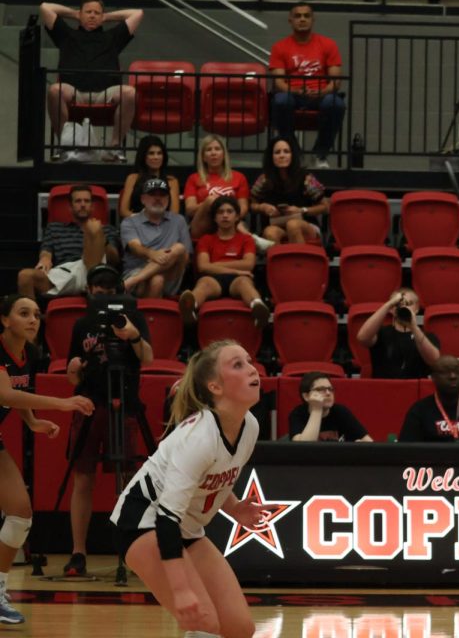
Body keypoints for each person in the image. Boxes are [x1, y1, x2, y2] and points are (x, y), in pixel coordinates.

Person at [111, 340, 267, 637]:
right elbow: (167, 519)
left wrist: (234, 507)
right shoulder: (198, 436)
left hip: (185, 527)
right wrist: (181, 589)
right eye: (237, 365)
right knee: (204, 622)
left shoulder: (250, 426)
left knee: (240, 628)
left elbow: (212, 479)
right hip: (143, 521)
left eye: (249, 360)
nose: (252, 369)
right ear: (215, 387)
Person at [0, 294, 94, 624]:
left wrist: (32, 421)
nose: (33, 319)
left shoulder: (27, 353)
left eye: (37, 314)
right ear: (4, 320)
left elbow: (16, 391)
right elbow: (5, 394)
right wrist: (64, 404)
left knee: (21, 514)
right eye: (23, 313)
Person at [62, 264, 154, 578]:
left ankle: (132, 550)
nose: (103, 301)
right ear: (89, 293)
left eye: (108, 295)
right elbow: (72, 373)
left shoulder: (133, 317)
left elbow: (149, 358)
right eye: (98, 295)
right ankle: (78, 552)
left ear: (119, 294)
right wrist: (73, 366)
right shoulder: (81, 324)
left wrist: (133, 335)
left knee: (129, 480)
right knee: (83, 478)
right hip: (89, 403)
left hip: (125, 404)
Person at [41, 0, 143, 161]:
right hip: (74, 92)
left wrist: (106, 16)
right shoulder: (66, 35)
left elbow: (137, 14)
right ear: (80, 14)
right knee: (55, 90)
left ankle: (114, 148)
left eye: (96, 13)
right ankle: (66, 144)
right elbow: (45, 8)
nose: (92, 16)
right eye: (88, 12)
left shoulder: (112, 37)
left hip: (105, 93)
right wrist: (74, 14)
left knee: (130, 92)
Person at [269, 2, 347, 168]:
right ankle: (294, 153)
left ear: (313, 19)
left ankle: (320, 154)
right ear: (290, 20)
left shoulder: (328, 44)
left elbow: (336, 81)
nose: (302, 19)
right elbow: (278, 82)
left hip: (320, 95)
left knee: (335, 103)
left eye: (306, 16)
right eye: (298, 16)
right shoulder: (280, 47)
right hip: (293, 95)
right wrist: (297, 90)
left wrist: (321, 92)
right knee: (281, 101)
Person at [178, 196, 271, 329]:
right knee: (204, 284)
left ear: (237, 217)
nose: (225, 215)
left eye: (229, 211)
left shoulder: (246, 239)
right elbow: (203, 267)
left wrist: (214, 265)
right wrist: (236, 270)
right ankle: (190, 308)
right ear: (214, 218)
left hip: (238, 279)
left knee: (244, 283)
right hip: (213, 280)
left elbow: (248, 264)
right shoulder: (206, 239)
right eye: (220, 212)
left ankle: (258, 308)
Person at [17, 184, 120, 298]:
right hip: (65, 273)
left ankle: (92, 289)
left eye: (87, 201)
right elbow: (46, 251)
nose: (83, 205)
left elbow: (114, 259)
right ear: (70, 207)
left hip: (97, 272)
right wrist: (45, 258)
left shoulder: (106, 229)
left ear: (92, 207)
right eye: (78, 201)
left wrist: (99, 236)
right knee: (25, 276)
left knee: (92, 234)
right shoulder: (54, 228)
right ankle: (34, 314)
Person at [249, 135, 328, 245]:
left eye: (286, 151)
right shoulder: (264, 179)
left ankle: (298, 262)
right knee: (270, 232)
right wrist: (262, 207)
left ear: (293, 155)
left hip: (305, 224)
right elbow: (252, 204)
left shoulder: (306, 177)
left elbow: (325, 206)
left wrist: (302, 210)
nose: (282, 155)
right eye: (277, 152)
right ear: (271, 157)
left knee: (293, 225)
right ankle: (279, 262)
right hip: (275, 224)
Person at [120, 178, 193, 298]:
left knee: (179, 248)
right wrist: (152, 254)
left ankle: (132, 282)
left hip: (171, 275)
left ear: (168, 200)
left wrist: (166, 260)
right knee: (157, 280)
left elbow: (186, 257)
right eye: (152, 195)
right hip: (136, 270)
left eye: (162, 195)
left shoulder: (179, 220)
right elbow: (135, 247)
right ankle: (151, 314)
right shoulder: (130, 222)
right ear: (143, 199)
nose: (158, 198)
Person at [356, 288, 442, 379]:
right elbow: (362, 338)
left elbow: (434, 360)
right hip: (384, 388)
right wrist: (389, 304)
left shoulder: (428, 337)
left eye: (409, 304)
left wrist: (413, 327)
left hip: (415, 389)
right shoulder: (381, 333)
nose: (404, 307)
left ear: (417, 308)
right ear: (392, 309)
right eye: (398, 304)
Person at [184, 134, 252, 241]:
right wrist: (209, 203)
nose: (213, 153)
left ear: (224, 154)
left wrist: (225, 214)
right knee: (212, 199)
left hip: (231, 224)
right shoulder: (193, 178)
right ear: (203, 157)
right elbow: (190, 209)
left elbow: (243, 209)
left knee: (223, 209)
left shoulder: (239, 177)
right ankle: (251, 237)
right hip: (201, 227)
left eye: (217, 149)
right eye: (209, 150)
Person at [288, 371, 372, 442]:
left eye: (330, 389)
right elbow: (302, 448)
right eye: (321, 389)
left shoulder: (340, 411)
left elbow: (368, 441)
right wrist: (317, 410)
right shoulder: (298, 414)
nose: (328, 393)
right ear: (306, 396)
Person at [120, 135, 181, 220]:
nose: (156, 157)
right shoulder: (132, 178)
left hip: (163, 226)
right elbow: (124, 211)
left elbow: (174, 213)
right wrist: (144, 219)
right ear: (143, 156)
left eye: (159, 153)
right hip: (137, 224)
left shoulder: (172, 181)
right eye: (151, 153)